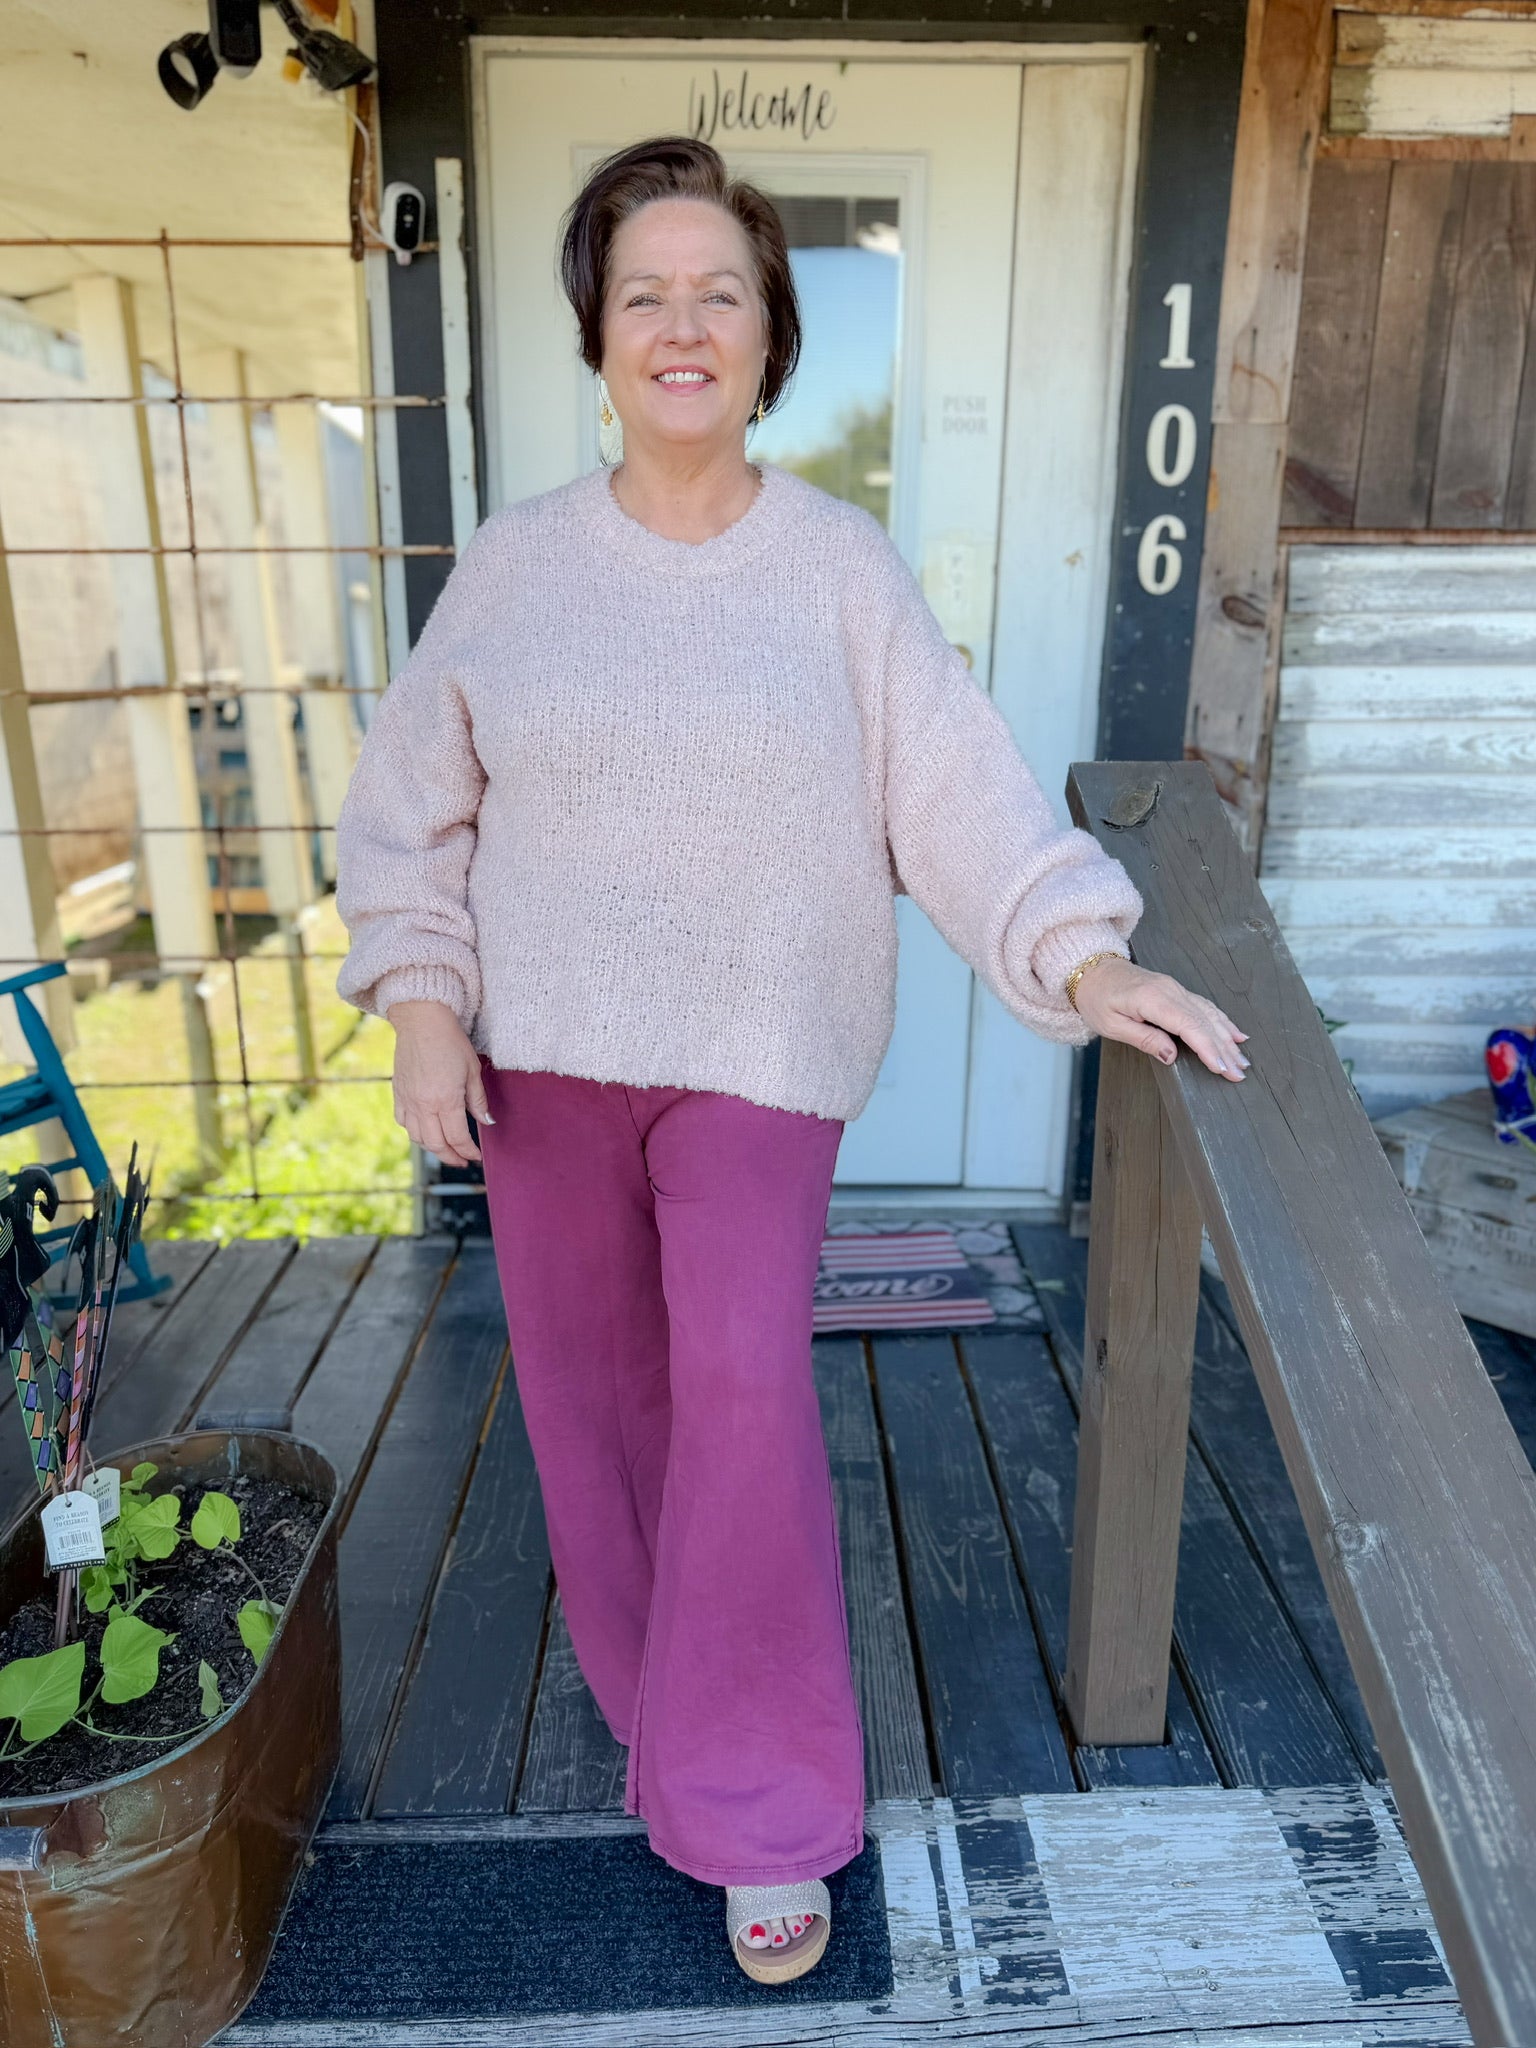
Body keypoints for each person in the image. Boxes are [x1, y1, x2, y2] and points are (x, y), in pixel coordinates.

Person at [333, 133, 1248, 1986]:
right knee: (593, 1411)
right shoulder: (514, 571)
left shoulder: (840, 571)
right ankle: (665, 1699)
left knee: (743, 1403)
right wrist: (425, 1002)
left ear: (769, 337)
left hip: (760, 1057)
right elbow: (408, 818)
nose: (684, 325)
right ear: (597, 332)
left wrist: (1084, 952)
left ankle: (757, 1804)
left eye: (721, 292)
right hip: (548, 1065)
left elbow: (958, 794)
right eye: (646, 292)